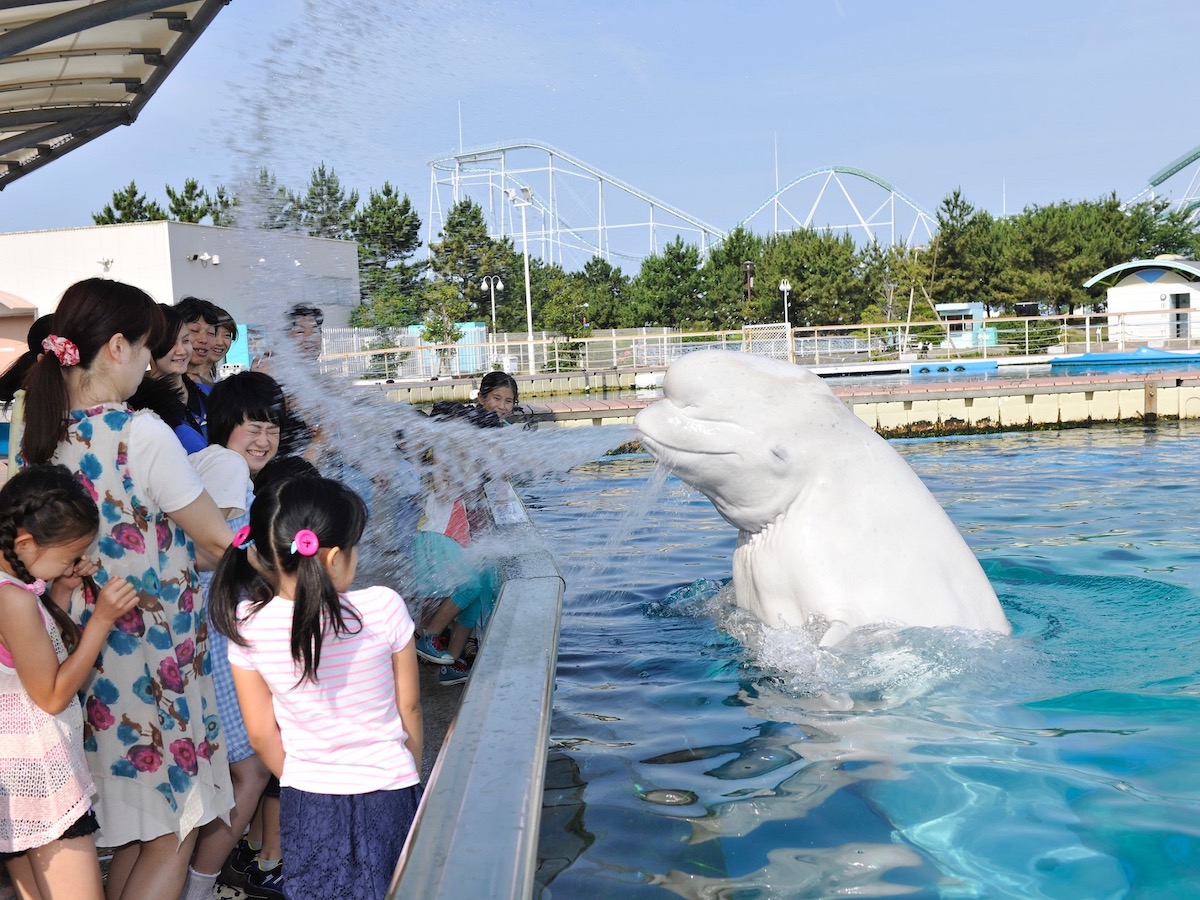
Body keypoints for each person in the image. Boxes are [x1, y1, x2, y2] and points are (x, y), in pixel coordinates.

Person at [18, 278, 234, 900]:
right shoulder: (140, 431)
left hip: (78, 652)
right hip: (154, 652)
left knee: (135, 833)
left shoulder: (40, 436)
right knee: (176, 827)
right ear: (116, 346)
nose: (149, 362)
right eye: (145, 347)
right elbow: (217, 539)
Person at [210, 477, 423, 900]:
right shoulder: (383, 607)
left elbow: (261, 733)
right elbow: (410, 708)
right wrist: (410, 776)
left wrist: (299, 775)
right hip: (390, 789)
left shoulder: (248, 623)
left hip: (308, 797)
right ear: (336, 557)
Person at [0, 466, 139, 900]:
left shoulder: (14, 588)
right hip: (39, 777)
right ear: (25, 544)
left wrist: (59, 593)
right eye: (67, 556)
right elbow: (51, 695)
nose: (70, 564)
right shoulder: (13, 599)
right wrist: (102, 620)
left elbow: (34, 657)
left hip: (17, 775)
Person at [180, 372, 285, 900]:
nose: (264, 440)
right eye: (254, 428)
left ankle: (198, 881)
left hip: (204, 627)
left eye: (273, 429)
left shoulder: (212, 461)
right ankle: (198, 888)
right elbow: (206, 551)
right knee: (253, 769)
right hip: (215, 628)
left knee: (233, 771)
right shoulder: (226, 465)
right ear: (226, 425)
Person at [128, 304, 207, 453]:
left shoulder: (208, 394)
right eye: (170, 343)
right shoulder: (137, 410)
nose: (181, 351)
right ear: (147, 348)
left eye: (185, 341)